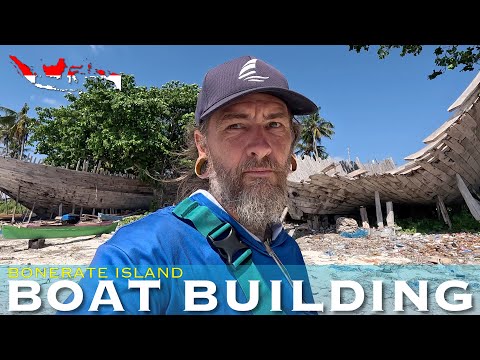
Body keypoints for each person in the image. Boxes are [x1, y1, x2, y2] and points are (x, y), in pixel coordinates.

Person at [58, 55, 319, 315]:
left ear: (292, 143)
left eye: (274, 124)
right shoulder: (143, 254)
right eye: (236, 126)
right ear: (203, 146)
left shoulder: (287, 247)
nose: (261, 148)